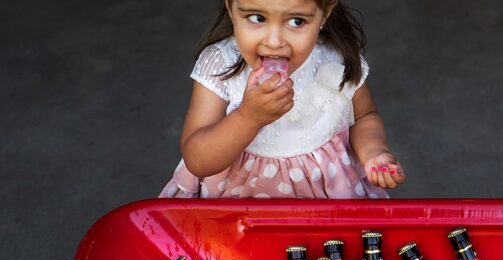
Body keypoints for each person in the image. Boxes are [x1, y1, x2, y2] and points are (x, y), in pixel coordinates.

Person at [160, 0, 405, 199]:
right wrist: (248, 118)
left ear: (326, 11)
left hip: (327, 199)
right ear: (230, 6)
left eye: (297, 21)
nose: (274, 41)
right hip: (236, 210)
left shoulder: (336, 60)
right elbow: (197, 159)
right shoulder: (220, 64)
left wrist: (374, 151)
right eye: (257, 17)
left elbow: (364, 117)